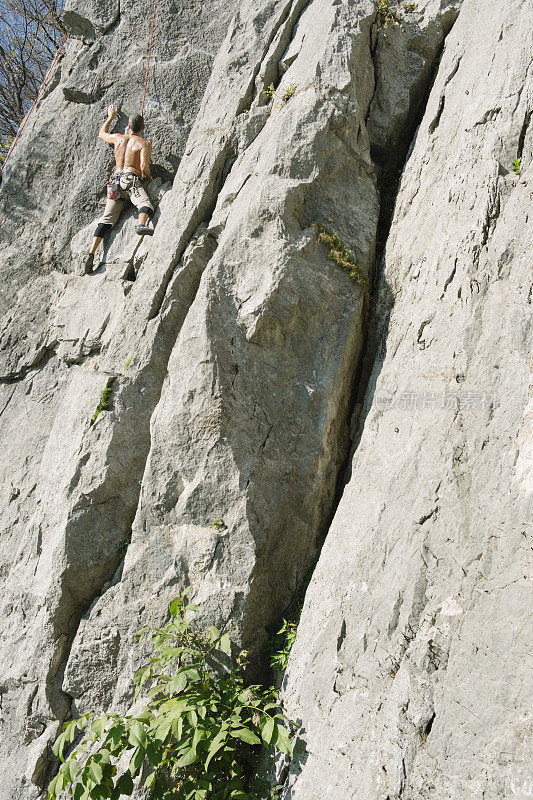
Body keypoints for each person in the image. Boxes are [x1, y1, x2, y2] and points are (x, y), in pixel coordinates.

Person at [84, 105, 155, 275]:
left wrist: (111, 116)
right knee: (145, 205)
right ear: (143, 128)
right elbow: (144, 166)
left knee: (107, 219)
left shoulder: (118, 138)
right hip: (131, 181)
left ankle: (91, 253)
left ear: (128, 127)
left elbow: (101, 134)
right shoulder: (144, 143)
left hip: (115, 182)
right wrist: (149, 177)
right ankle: (140, 224)